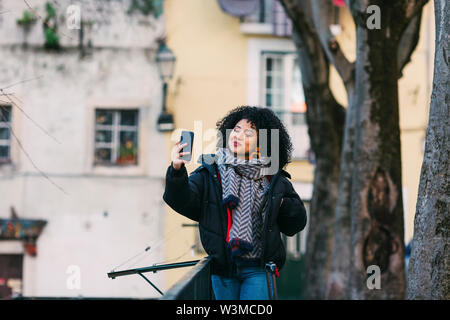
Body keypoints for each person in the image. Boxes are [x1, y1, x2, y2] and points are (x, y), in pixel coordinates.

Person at [163, 106, 307, 300]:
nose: (238, 135)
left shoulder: (273, 179)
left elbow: (296, 224)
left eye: (248, 133)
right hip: (223, 270)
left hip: (258, 269)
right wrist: (177, 168)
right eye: (236, 129)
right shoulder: (211, 172)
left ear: (260, 144)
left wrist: (282, 205)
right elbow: (181, 200)